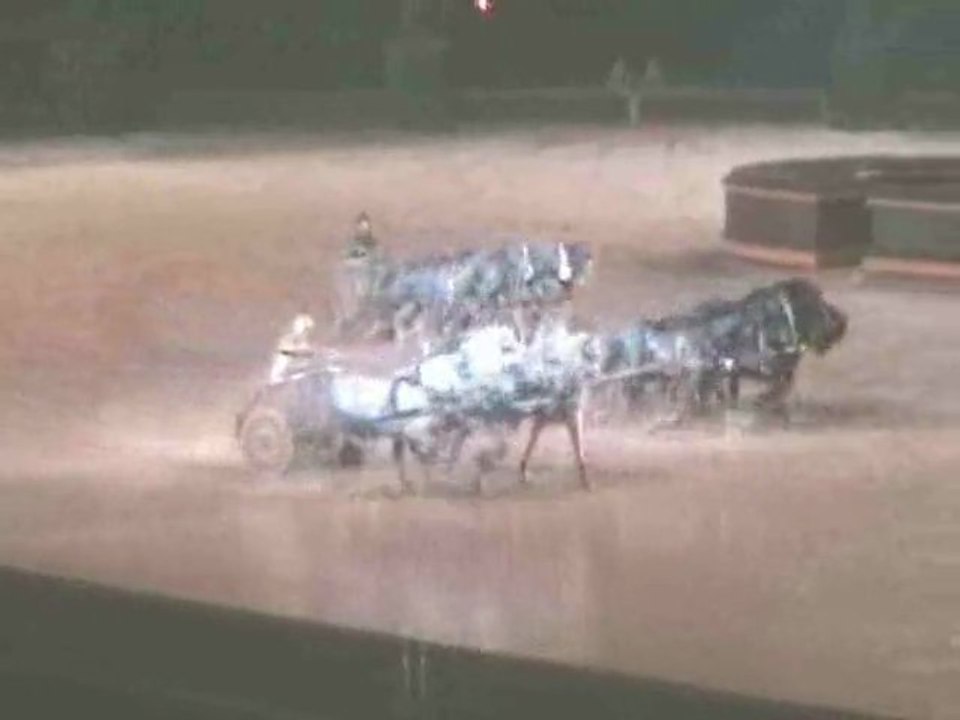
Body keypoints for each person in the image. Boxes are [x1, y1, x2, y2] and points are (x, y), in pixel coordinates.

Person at [269, 313, 318, 384]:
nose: (306, 333)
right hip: (287, 381)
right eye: (305, 329)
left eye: (307, 330)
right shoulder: (287, 343)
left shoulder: (306, 344)